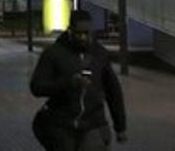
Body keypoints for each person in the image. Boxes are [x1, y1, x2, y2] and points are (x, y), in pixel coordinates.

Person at [30, 10, 127, 149]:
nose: (83, 37)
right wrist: (67, 83)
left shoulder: (100, 54)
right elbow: (37, 87)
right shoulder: (53, 53)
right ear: (69, 31)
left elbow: (113, 91)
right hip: (61, 123)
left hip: (93, 122)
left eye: (87, 33)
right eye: (78, 33)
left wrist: (120, 126)